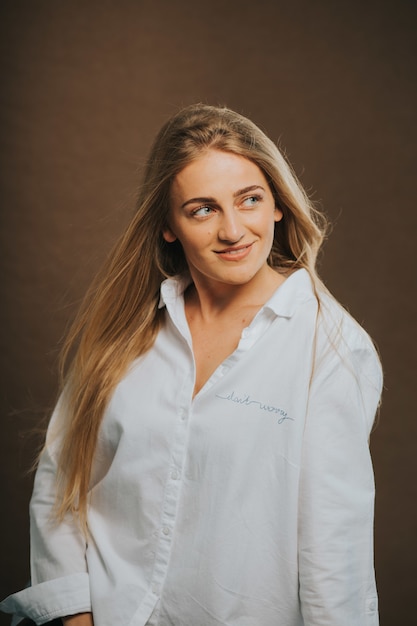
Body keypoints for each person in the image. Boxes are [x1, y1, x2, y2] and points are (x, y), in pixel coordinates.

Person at [1, 104, 382, 626]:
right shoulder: (121, 332)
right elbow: (61, 485)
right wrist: (75, 618)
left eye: (249, 200)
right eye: (203, 209)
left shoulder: (331, 347)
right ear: (167, 227)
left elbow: (335, 551)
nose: (233, 230)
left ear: (277, 205)